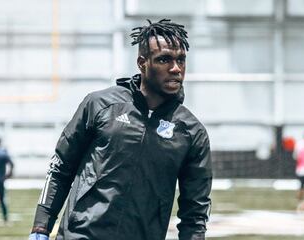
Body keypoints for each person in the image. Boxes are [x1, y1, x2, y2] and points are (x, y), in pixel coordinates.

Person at [29, 19, 212, 240]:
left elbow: (195, 213)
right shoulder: (100, 105)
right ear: (142, 63)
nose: (175, 68)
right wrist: (41, 227)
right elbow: (60, 168)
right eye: (164, 59)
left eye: (181, 60)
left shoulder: (191, 132)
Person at [293, 133, 304, 200]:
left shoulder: (299, 144)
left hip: (301, 169)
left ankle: (300, 200)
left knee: (301, 186)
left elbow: (295, 156)